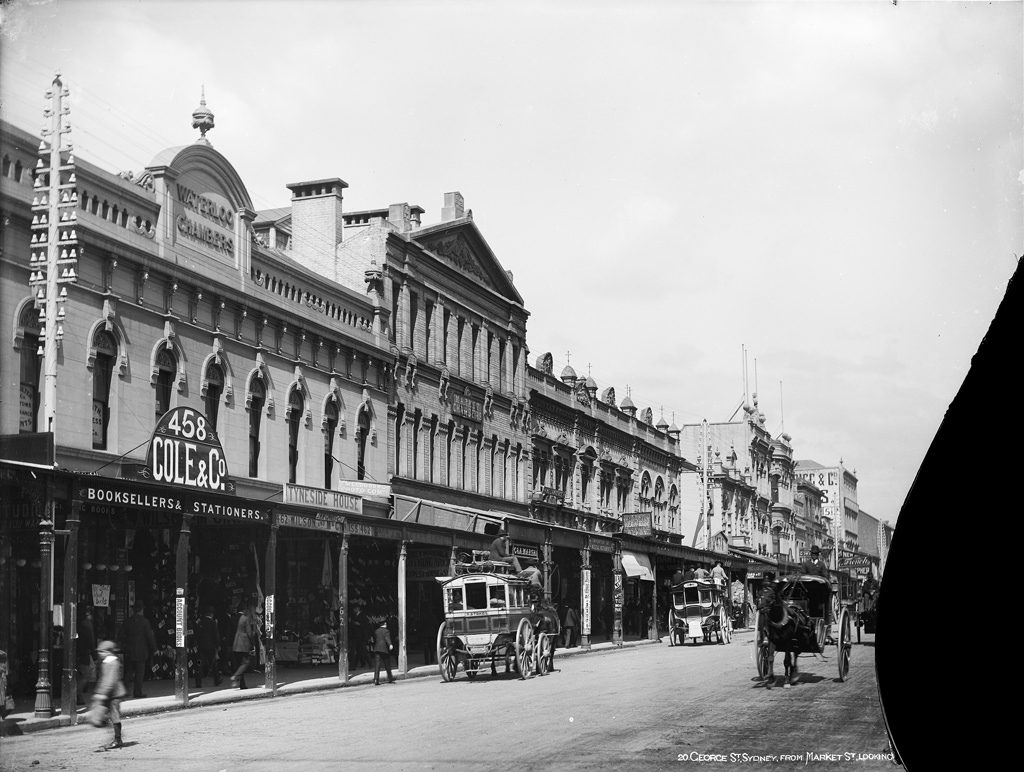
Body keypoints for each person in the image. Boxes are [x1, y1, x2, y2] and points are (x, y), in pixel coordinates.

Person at [87, 639, 127, 751]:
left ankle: (118, 739)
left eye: (102, 651)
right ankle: (116, 735)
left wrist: (102, 693)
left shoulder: (112, 663)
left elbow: (110, 680)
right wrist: (99, 692)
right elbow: (103, 680)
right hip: (108, 694)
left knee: (114, 716)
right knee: (98, 717)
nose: (100, 654)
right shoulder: (107, 662)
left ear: (109, 652)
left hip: (114, 694)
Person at [118, 602, 156, 699]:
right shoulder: (145, 622)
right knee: (139, 673)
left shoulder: (127, 621)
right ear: (142, 610)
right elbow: (149, 637)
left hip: (130, 650)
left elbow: (121, 636)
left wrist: (126, 644)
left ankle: (124, 690)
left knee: (128, 672)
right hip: (141, 651)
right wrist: (153, 648)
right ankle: (137, 692)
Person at [230, 600, 258, 689]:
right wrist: (252, 643)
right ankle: (236, 676)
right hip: (243, 644)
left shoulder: (233, 618)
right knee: (246, 662)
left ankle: (241, 684)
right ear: (245, 609)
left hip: (235, 643)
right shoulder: (245, 618)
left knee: (239, 664)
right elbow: (249, 632)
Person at [194, 606, 222, 688]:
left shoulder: (200, 622)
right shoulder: (213, 622)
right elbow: (216, 635)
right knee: (213, 663)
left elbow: (196, 634)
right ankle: (217, 680)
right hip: (210, 648)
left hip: (201, 648)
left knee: (199, 663)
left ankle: (198, 682)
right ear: (212, 614)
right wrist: (217, 645)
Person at [76, 607, 98, 705]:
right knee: (86, 674)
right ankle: (78, 694)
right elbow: (91, 641)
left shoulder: (79, 623)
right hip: (84, 652)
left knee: (82, 674)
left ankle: (79, 693)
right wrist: (95, 656)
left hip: (78, 652)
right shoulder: (87, 625)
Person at [372, 618, 396, 685]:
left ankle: (376, 679)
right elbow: (387, 638)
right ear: (385, 624)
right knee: (387, 664)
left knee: (377, 665)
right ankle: (390, 678)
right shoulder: (386, 631)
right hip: (384, 648)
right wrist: (390, 644)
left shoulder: (376, 631)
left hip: (377, 648)